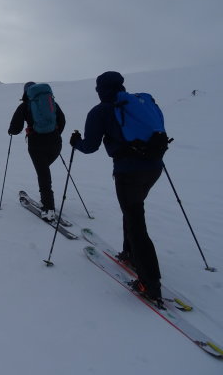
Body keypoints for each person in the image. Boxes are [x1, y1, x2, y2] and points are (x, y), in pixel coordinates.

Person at [70, 71, 164, 304]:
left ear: (101, 89)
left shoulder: (101, 111)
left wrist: (76, 143)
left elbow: (90, 146)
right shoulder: (140, 103)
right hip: (154, 168)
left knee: (135, 221)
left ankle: (150, 284)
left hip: (128, 171)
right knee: (133, 211)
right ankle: (130, 253)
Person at [8, 81, 66, 220]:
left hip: (36, 144)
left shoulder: (24, 106)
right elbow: (62, 121)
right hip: (55, 143)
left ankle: (48, 208)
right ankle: (46, 201)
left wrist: (11, 131)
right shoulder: (51, 103)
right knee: (44, 171)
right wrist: (54, 134)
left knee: (43, 174)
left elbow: (15, 128)